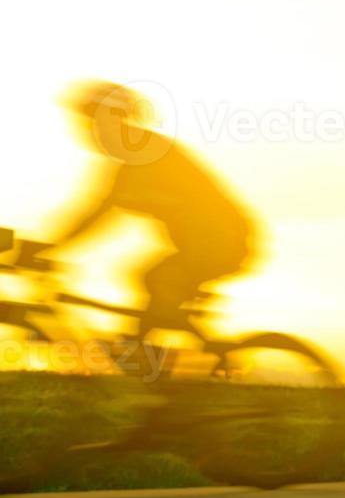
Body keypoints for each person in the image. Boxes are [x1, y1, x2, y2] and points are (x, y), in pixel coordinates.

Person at [42, 81, 256, 341]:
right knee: (151, 284)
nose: (88, 131)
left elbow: (100, 215)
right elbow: (96, 212)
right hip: (207, 243)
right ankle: (150, 360)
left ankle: (161, 360)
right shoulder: (132, 159)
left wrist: (50, 247)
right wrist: (51, 246)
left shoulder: (147, 155)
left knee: (158, 280)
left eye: (93, 123)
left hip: (222, 242)